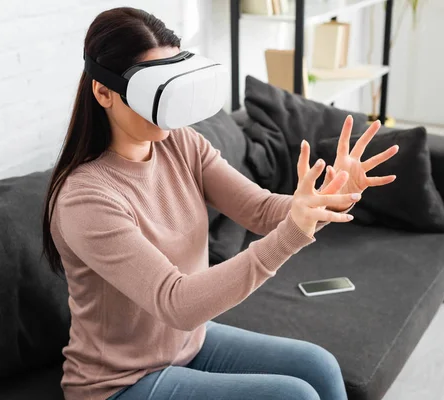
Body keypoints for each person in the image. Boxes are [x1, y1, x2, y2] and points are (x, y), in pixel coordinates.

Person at [42, 7, 399, 400]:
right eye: (153, 89)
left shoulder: (180, 143)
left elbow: (261, 211)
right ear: (103, 91)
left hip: (186, 346)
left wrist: (326, 198)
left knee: (319, 366)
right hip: (118, 384)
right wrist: (290, 237)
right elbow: (176, 303)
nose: (169, 105)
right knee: (293, 397)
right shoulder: (85, 198)